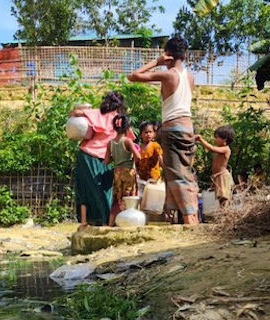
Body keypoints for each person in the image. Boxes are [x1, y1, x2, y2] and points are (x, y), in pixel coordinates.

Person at [128, 35, 200, 225]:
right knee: (182, 172)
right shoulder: (190, 76)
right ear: (184, 55)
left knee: (177, 175)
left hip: (173, 129)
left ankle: (189, 218)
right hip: (187, 128)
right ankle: (172, 217)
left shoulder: (168, 74)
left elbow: (133, 76)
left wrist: (156, 62)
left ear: (168, 55)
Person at [69, 91, 134, 230]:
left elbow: (74, 113)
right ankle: (105, 223)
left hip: (85, 155)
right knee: (104, 190)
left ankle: (85, 223)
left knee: (84, 190)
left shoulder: (97, 113)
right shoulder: (121, 119)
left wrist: (81, 110)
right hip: (103, 159)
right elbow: (130, 139)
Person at [104, 114, 142, 226]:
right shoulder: (128, 141)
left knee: (117, 198)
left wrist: (116, 156)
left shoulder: (110, 143)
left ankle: (110, 224)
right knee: (129, 197)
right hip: (128, 172)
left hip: (117, 173)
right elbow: (138, 157)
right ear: (127, 128)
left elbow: (106, 161)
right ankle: (128, 223)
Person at [196, 125, 235, 207]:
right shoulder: (220, 148)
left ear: (225, 139)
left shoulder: (226, 149)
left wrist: (201, 140)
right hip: (216, 177)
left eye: (217, 137)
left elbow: (211, 148)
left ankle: (225, 215)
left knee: (223, 197)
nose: (215, 139)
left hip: (222, 177)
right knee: (217, 197)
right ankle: (219, 215)